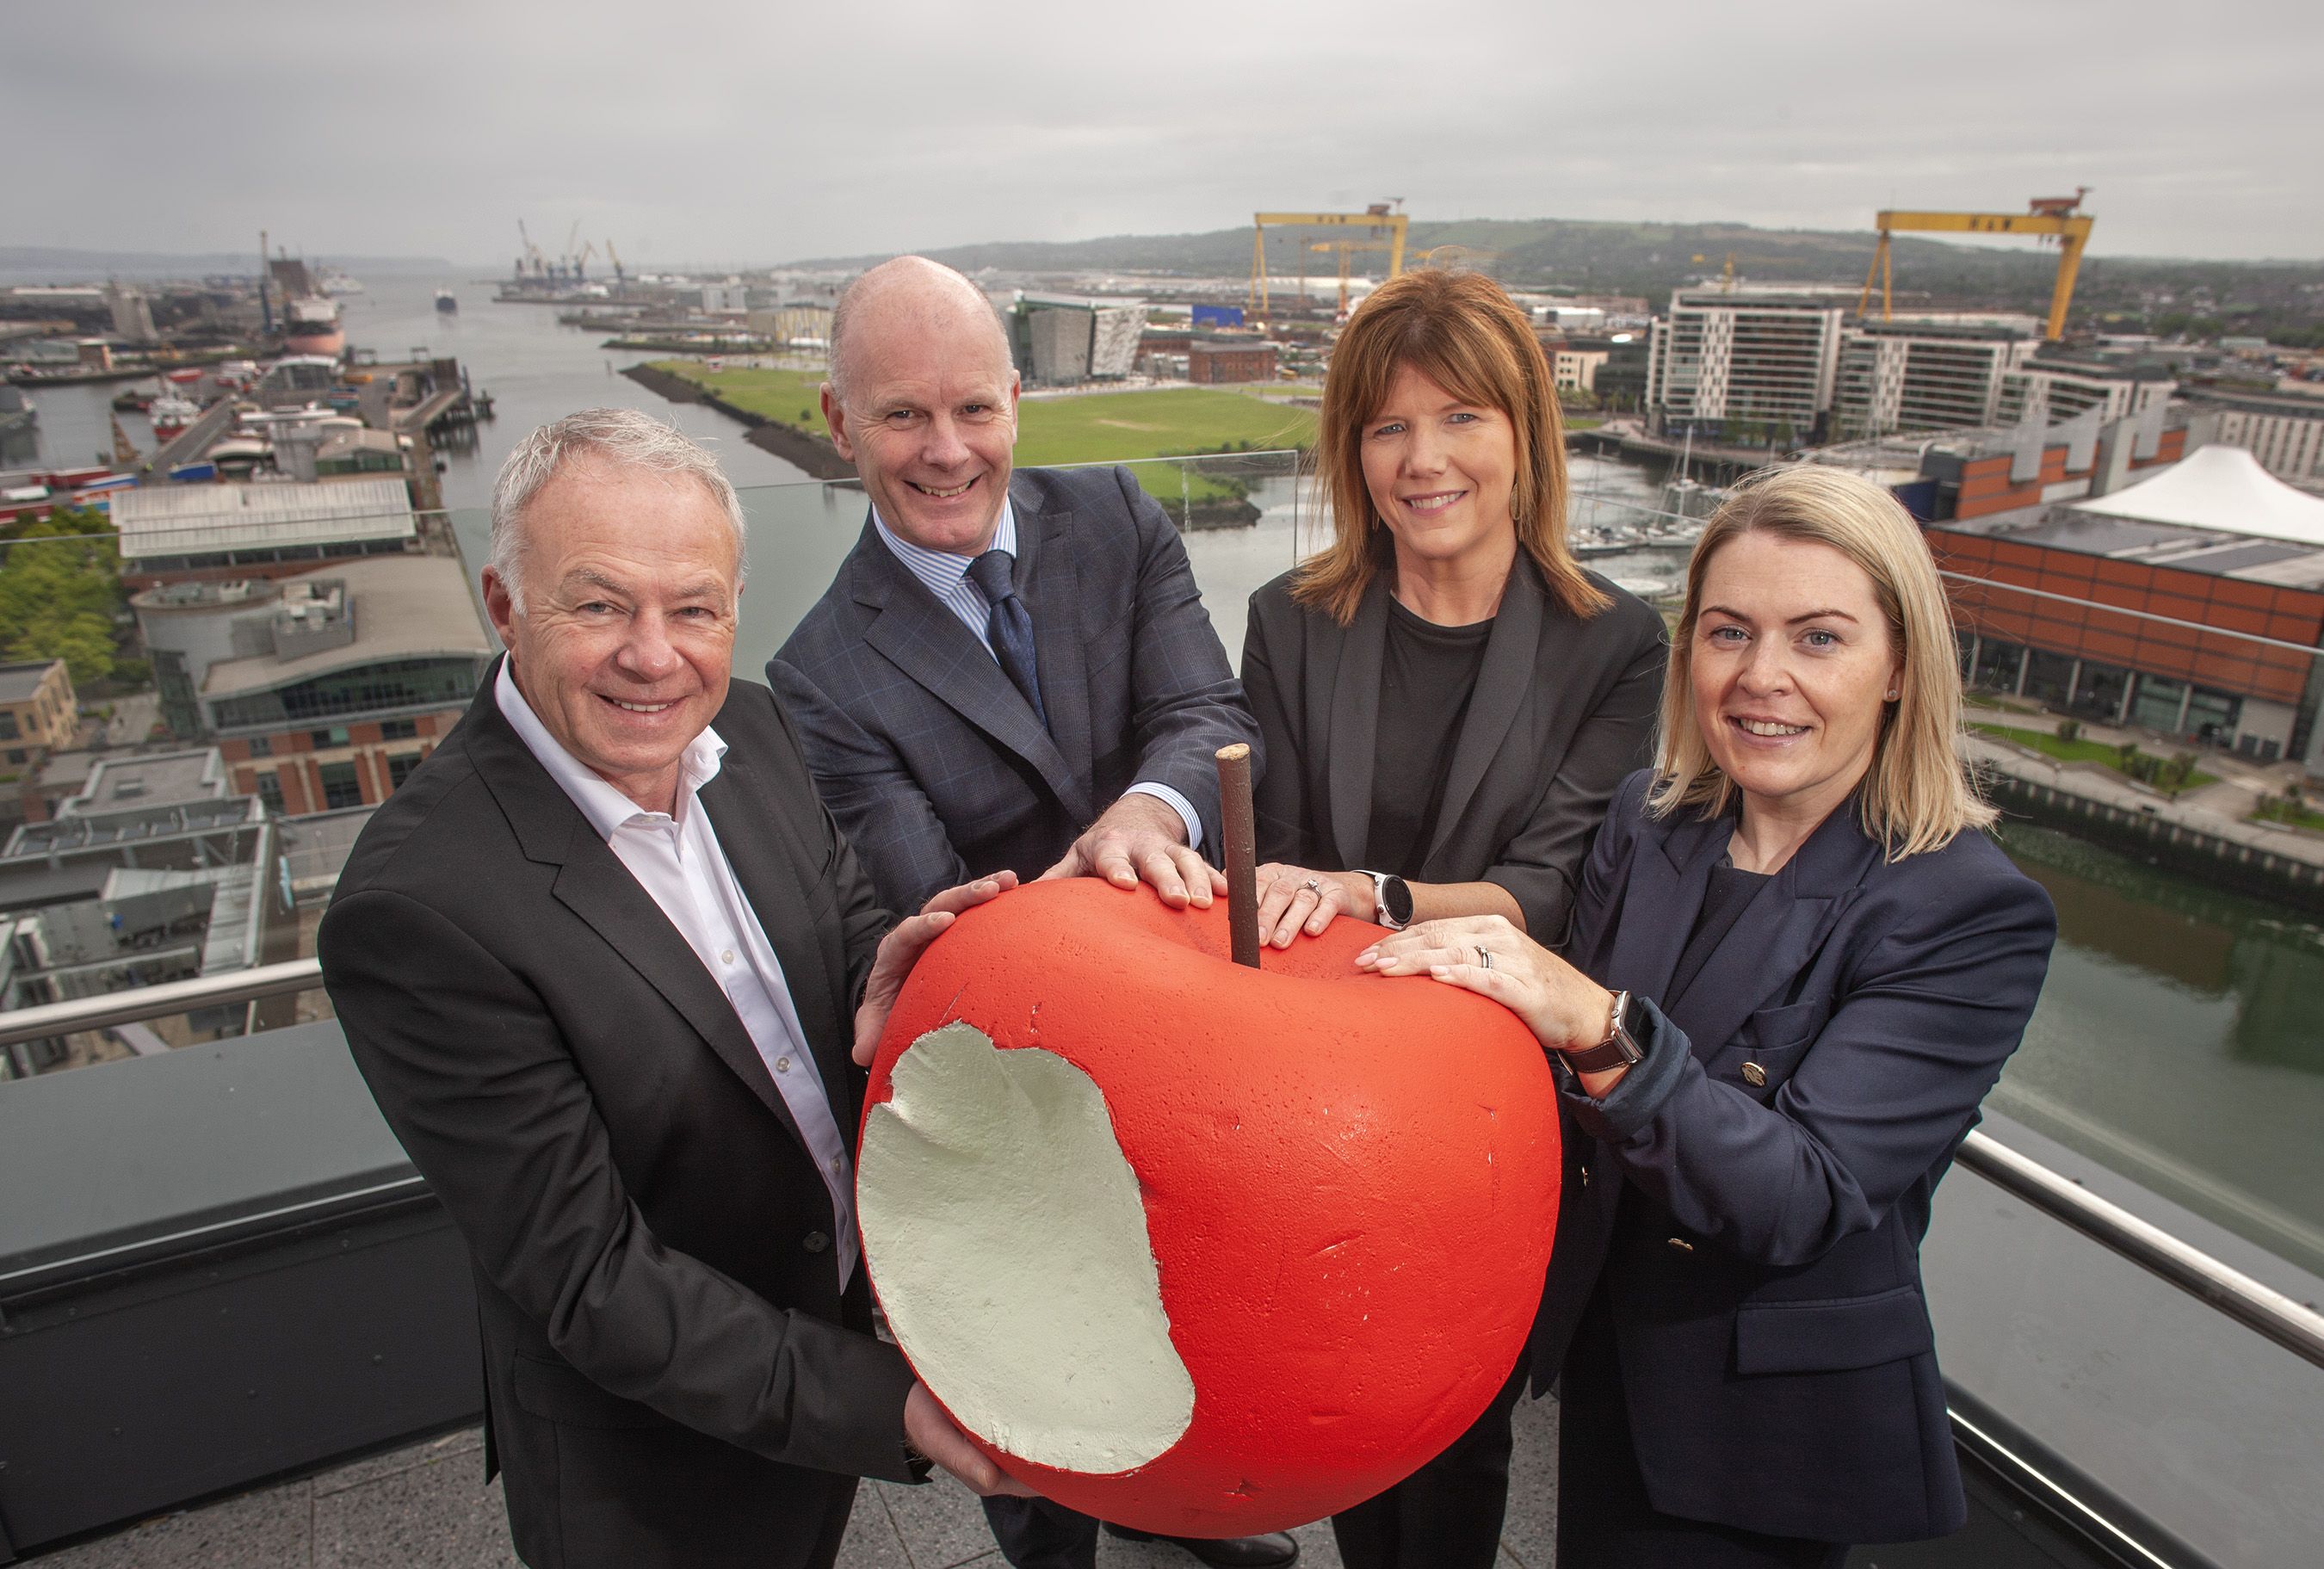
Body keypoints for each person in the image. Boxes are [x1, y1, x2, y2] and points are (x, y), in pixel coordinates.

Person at [319, 410, 1030, 1569]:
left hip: (823, 1332)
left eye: (694, 608)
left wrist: (891, 965)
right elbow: (592, 1275)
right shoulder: (417, 910)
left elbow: (837, 915)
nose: (656, 655)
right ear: (504, 605)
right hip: (653, 1466)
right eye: (599, 605)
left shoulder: (747, 719)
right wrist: (888, 1402)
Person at [1357, 465, 2060, 1566]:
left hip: (1764, 1426)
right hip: (1610, 1356)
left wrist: (1597, 1022)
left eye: (1818, 638)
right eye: (1729, 633)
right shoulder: (1653, 819)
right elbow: (1554, 1081)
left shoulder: (1965, 908)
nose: (1760, 676)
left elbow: (1803, 1194)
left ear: (1901, 667)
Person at [768, 261, 1289, 1569]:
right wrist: (1100, 876)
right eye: (900, 417)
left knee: (1203, 1333)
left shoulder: (1116, 514)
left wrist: (1150, 814)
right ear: (837, 423)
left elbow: (1207, 718)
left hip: (1191, 1054)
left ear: (1019, 400)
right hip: (1014, 1086)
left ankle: (1203, 1518)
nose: (947, 453)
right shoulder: (818, 675)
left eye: (974, 411)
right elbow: (938, 910)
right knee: (1033, 1398)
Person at [1238, 266, 1666, 1569]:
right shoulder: (1291, 621)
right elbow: (1277, 859)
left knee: (1462, 1414)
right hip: (1323, 1087)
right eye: (1386, 426)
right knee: (1346, 1396)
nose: (1423, 459)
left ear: (1528, 433)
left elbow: (1549, 885)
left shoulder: (1616, 644)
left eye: (1461, 417)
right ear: (1352, 450)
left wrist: (1382, 892)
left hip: (1493, 1101)